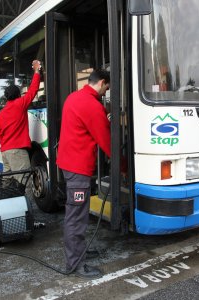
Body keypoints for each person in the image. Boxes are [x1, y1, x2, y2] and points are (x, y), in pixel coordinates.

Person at [57, 69, 111, 279]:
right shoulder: (91, 105)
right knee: (76, 217)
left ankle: (78, 251)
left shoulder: (74, 97)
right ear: (102, 83)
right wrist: (123, 166)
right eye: (107, 88)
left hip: (68, 163)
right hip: (77, 167)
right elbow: (106, 141)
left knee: (77, 213)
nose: (106, 92)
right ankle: (75, 264)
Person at [0, 59, 42, 183]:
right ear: (18, 94)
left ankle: (7, 202)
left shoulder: (2, 113)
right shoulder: (19, 104)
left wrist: (6, 143)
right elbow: (33, 90)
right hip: (17, 151)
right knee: (25, 183)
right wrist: (37, 71)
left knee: (7, 184)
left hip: (5, 152)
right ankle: (27, 203)